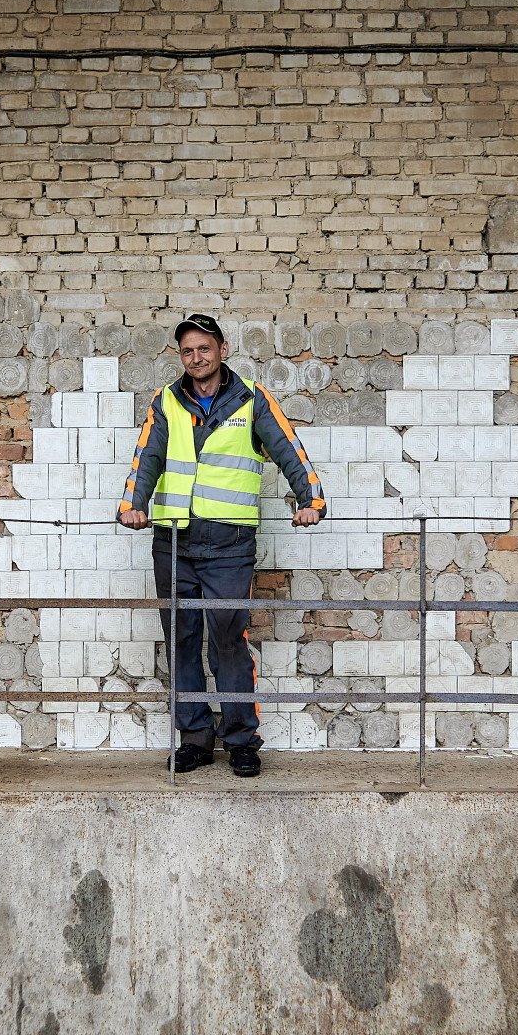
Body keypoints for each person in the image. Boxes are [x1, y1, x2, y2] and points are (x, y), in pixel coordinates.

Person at [118, 313, 326, 777]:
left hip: (230, 544)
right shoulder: (167, 401)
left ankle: (241, 741)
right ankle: (194, 737)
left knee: (229, 641)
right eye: (188, 351)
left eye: (204, 349)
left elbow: (290, 449)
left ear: (222, 349)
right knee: (182, 640)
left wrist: (310, 498)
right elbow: (147, 456)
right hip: (173, 541)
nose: (196, 358)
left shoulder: (250, 399)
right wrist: (132, 503)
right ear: (181, 356)